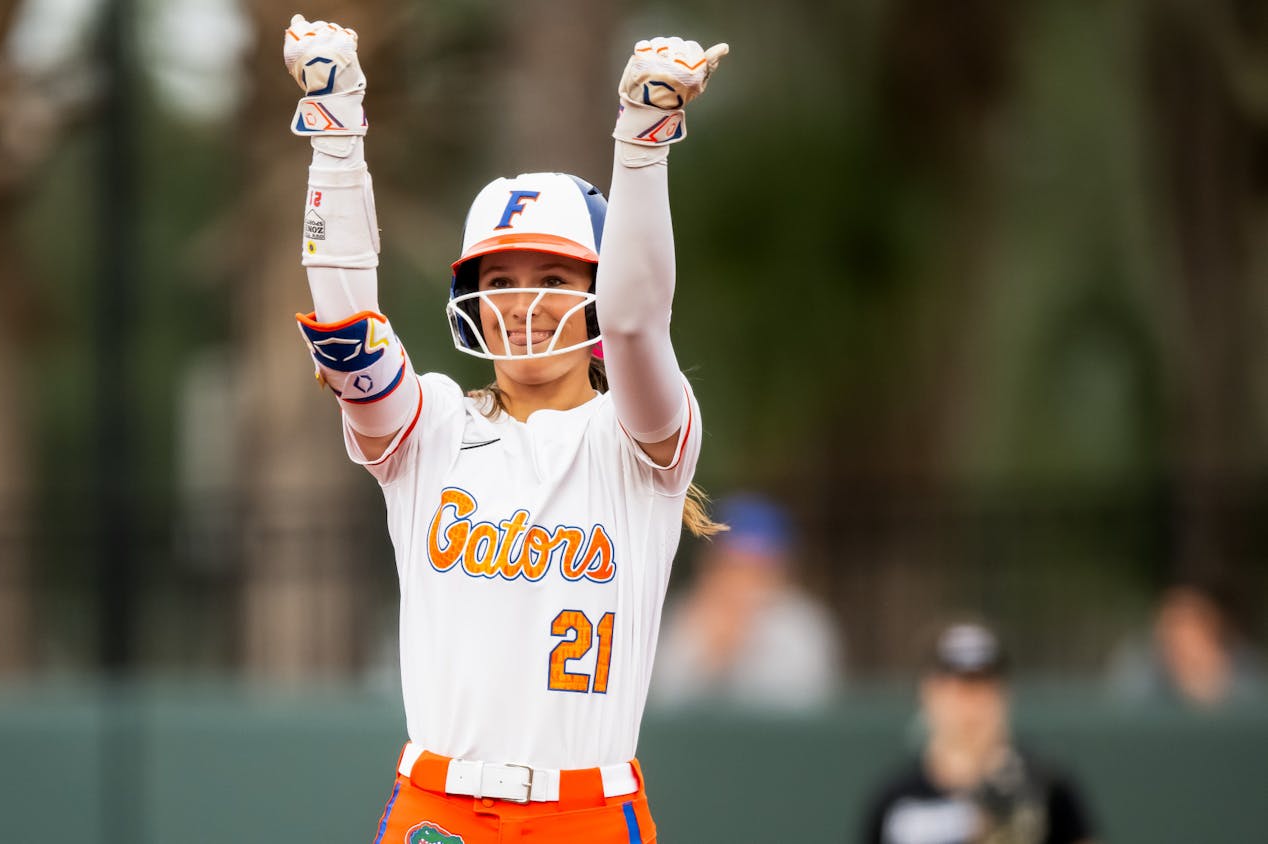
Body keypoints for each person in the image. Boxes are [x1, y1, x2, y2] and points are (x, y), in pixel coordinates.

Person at [281, 15, 728, 843]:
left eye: (554, 276)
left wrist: (644, 139)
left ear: (596, 288)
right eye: (501, 278)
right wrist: (334, 138)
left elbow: (635, 326)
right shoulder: (435, 425)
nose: (523, 301)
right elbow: (347, 335)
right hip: (438, 812)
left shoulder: (638, 441)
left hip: (587, 811)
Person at [861, 621, 1099, 844]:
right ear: (930, 694)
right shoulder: (897, 800)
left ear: (1004, 695)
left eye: (984, 690)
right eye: (961, 691)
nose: (973, 706)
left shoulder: (1047, 787)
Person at [651, 493, 841, 709]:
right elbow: (659, 703)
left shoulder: (802, 622)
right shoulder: (686, 614)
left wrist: (742, 642)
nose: (743, 579)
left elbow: (806, 707)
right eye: (733, 564)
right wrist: (710, 654)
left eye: (757, 567)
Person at [1106, 582, 1266, 710]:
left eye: (1182, 628)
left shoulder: (1243, 668)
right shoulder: (1144, 669)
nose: (1171, 642)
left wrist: (1213, 686)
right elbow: (1119, 706)